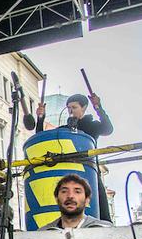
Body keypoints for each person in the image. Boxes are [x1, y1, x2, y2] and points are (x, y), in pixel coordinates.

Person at [34, 93, 114, 221]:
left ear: (84, 108)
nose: (71, 111)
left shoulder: (91, 125)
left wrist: (98, 107)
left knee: (100, 211)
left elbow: (108, 129)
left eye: (74, 107)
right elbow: (41, 137)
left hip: (88, 172)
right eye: (68, 108)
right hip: (69, 173)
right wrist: (40, 118)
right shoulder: (64, 129)